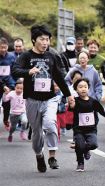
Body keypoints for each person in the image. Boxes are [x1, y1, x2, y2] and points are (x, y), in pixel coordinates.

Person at [12, 24, 73, 173]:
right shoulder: (26, 56)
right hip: (32, 100)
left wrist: (69, 95)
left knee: (50, 124)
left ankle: (52, 156)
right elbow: (15, 70)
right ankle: (39, 155)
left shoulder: (51, 56)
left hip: (50, 99)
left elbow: (59, 77)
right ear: (34, 40)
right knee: (37, 134)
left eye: (47, 39)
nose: (45, 42)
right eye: (42, 39)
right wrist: (28, 71)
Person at [68, 78, 105, 171]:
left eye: (85, 87)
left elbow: (100, 109)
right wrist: (71, 105)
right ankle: (80, 163)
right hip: (78, 129)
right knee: (79, 145)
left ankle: (86, 150)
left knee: (94, 144)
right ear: (76, 89)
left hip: (91, 129)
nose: (83, 89)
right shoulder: (75, 101)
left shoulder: (93, 101)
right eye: (80, 87)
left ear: (88, 88)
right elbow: (71, 108)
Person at [0, 37, 16, 131]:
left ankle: (6, 120)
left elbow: (14, 70)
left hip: (9, 83)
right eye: (1, 47)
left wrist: (14, 83)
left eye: (5, 47)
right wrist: (3, 86)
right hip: (0, 83)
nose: (3, 49)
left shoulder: (11, 56)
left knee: (7, 104)